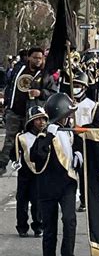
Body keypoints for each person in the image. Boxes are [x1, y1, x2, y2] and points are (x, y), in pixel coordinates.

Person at [30, 93, 83, 256]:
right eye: (67, 113)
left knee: (69, 221)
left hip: (67, 185)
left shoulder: (68, 130)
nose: (69, 117)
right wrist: (49, 134)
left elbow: (77, 144)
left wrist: (78, 152)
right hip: (47, 188)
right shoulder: (46, 134)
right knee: (50, 231)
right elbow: (36, 155)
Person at [0, 47, 57, 176]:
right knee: (10, 140)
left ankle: (32, 166)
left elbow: (53, 93)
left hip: (32, 114)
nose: (38, 60)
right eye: (35, 57)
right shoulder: (18, 69)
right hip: (14, 111)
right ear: (29, 57)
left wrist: (41, 93)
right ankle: (2, 165)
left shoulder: (45, 74)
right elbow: (9, 85)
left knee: (32, 140)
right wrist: (7, 102)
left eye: (40, 58)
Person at [69, 70, 99, 211]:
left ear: (84, 87)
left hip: (84, 142)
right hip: (68, 141)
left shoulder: (92, 105)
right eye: (74, 85)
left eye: (79, 85)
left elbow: (96, 126)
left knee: (84, 174)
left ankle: (84, 200)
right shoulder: (67, 103)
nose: (76, 87)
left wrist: (81, 129)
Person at [12, 105, 48, 238]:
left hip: (39, 173)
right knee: (21, 201)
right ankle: (22, 227)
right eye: (38, 119)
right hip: (24, 174)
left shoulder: (46, 137)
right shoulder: (21, 137)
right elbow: (14, 153)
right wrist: (16, 161)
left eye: (44, 119)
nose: (42, 122)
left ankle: (38, 226)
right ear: (31, 121)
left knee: (37, 201)